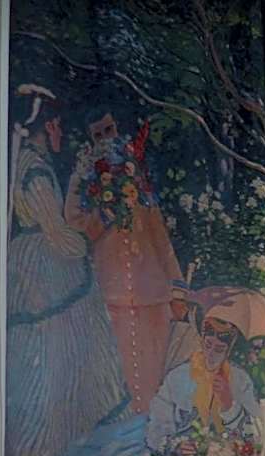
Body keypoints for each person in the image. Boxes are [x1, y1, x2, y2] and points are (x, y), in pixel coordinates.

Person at [5, 85, 129, 456]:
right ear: (48, 127)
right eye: (57, 125)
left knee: (61, 346)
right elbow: (56, 232)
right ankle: (45, 449)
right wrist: (87, 240)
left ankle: (65, 438)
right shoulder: (35, 170)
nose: (60, 133)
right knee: (57, 348)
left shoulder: (27, 162)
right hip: (42, 266)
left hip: (39, 260)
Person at [65, 111, 183, 415]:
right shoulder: (90, 185)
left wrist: (178, 288)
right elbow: (74, 221)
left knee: (154, 368)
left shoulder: (139, 180)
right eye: (98, 135)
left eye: (109, 129)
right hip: (112, 290)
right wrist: (86, 186)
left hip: (152, 291)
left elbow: (160, 237)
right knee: (120, 373)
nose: (106, 139)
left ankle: (152, 428)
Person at [146, 316, 260, 452]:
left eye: (219, 349)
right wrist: (175, 446)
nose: (211, 354)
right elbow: (156, 427)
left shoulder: (241, 380)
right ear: (201, 342)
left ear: (228, 351)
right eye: (208, 345)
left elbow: (255, 433)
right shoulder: (177, 376)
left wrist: (229, 405)